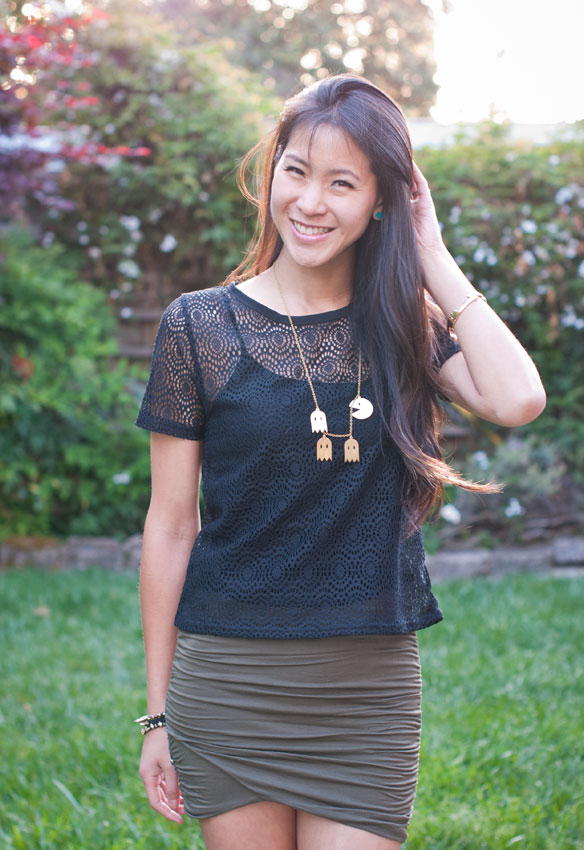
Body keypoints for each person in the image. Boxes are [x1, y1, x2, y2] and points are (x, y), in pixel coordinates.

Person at [134, 73, 546, 850]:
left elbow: (518, 398)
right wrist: (158, 715)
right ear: (271, 174)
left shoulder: (402, 327)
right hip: (230, 680)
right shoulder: (200, 328)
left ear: (381, 200)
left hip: (366, 690)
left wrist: (431, 251)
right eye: (295, 171)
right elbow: (169, 527)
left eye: (342, 183)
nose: (310, 202)